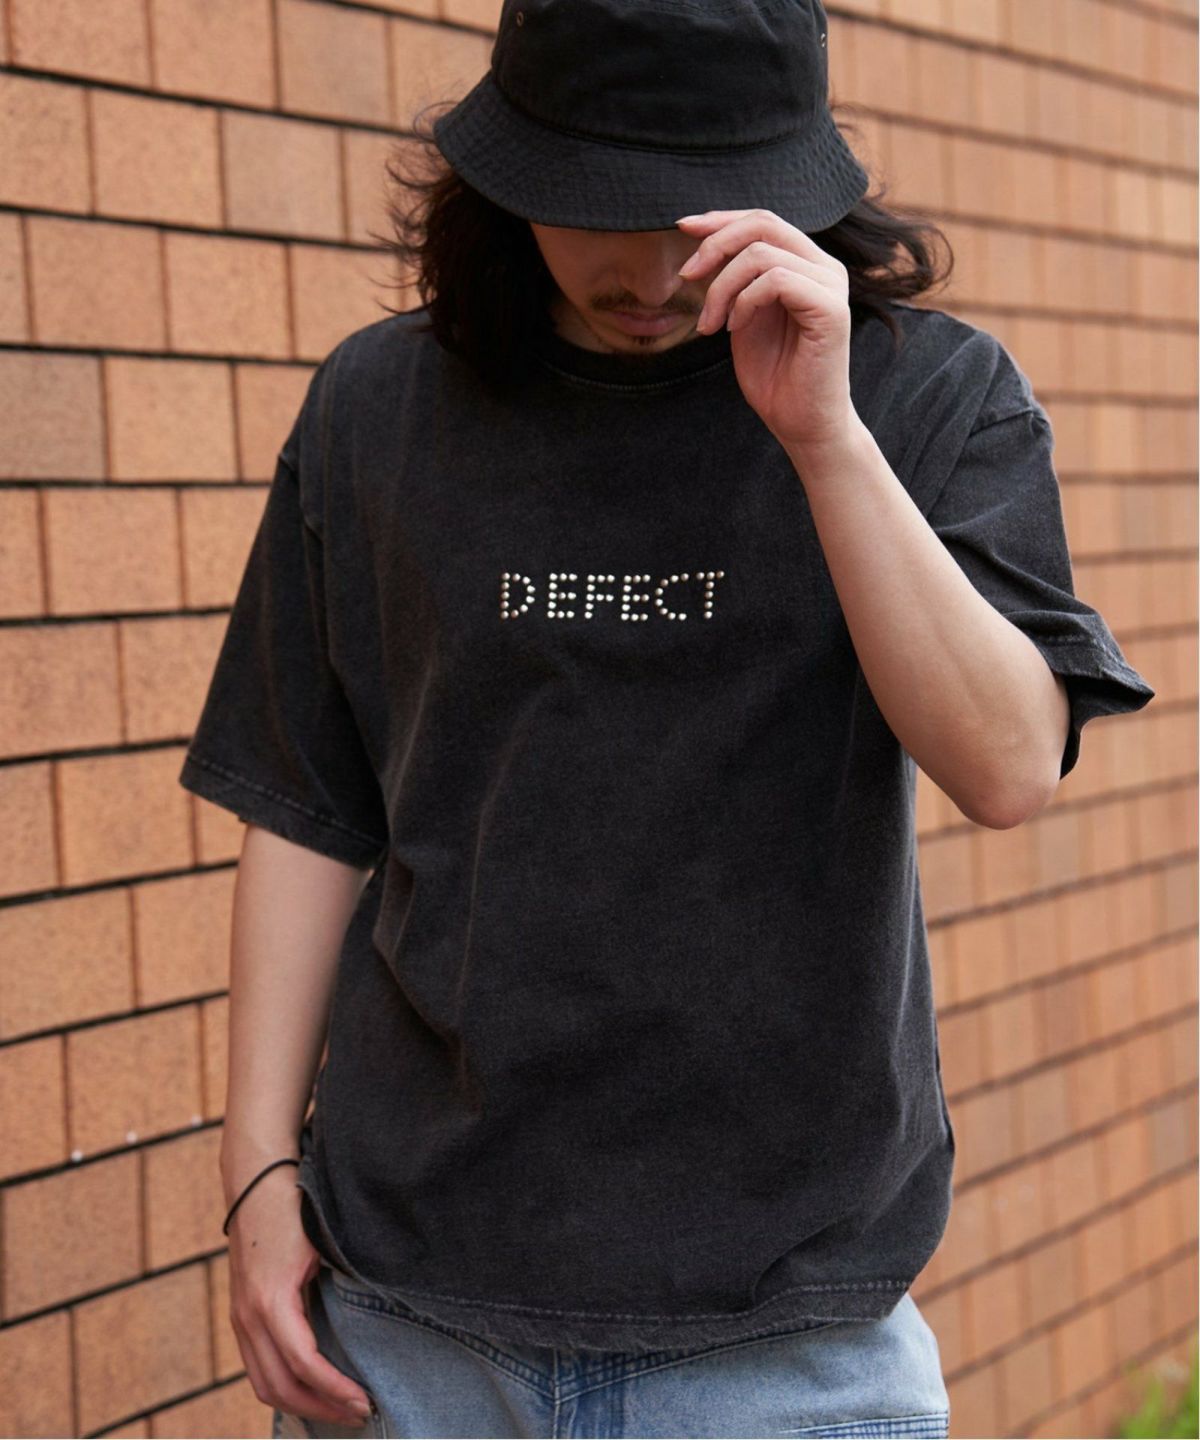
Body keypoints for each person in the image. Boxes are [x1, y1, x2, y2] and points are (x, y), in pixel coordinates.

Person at [178, 1, 1157, 1436]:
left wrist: (824, 440)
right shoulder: (379, 408)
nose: (644, 276)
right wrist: (258, 1173)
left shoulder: (927, 394)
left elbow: (1009, 767)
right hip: (408, 1326)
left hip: (786, 1337)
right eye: (593, 208)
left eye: (689, 219)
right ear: (508, 172)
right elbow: (311, 806)